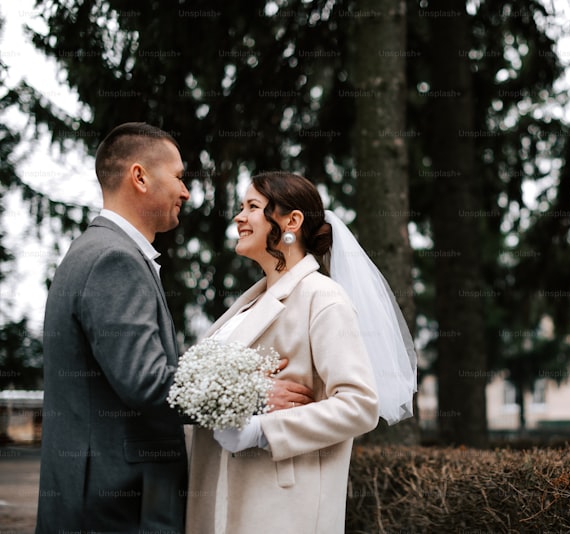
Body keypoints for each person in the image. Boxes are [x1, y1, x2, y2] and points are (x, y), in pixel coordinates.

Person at [35, 124, 313, 533]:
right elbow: (147, 382)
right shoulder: (115, 259)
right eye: (180, 177)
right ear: (140, 177)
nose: (186, 192)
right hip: (116, 503)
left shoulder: (96, 250)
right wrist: (254, 394)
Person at [186, 171, 417, 534]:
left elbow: (359, 405)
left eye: (253, 207)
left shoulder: (323, 298)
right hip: (221, 493)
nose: (239, 217)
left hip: (282, 508)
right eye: (240, 206)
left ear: (291, 221)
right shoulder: (249, 301)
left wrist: (262, 430)